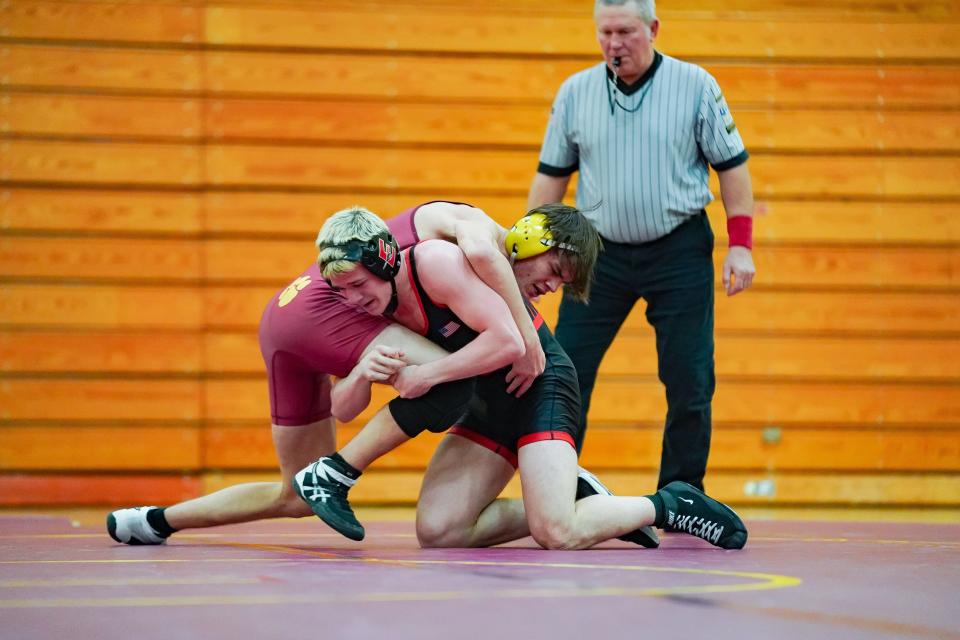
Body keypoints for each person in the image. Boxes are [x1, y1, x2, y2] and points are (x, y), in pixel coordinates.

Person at [296, 206, 748, 550]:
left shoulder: (444, 260)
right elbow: (343, 408)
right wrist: (360, 372)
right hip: (490, 398)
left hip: (540, 387)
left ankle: (671, 503)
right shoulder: (373, 295)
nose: (553, 288)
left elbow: (508, 336)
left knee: (556, 532)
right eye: (554, 272)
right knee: (440, 531)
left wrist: (429, 373)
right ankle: (587, 502)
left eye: (359, 286)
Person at [104, 202, 551, 545]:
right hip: (312, 317)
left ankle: (154, 521)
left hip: (282, 325)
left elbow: (344, 412)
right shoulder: (439, 242)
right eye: (348, 287)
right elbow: (482, 255)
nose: (356, 298)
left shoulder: (379, 258)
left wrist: (357, 376)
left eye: (359, 287)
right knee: (450, 377)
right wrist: (528, 337)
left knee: (295, 495)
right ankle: (335, 474)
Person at [527, 0, 758, 491]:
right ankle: (556, 488)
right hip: (597, 257)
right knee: (563, 371)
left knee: (689, 381)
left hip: (678, 251)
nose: (615, 43)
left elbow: (732, 166)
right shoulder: (575, 93)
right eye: (605, 32)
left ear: (653, 29)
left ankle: (682, 493)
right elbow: (550, 178)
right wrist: (528, 253)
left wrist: (741, 246)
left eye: (626, 32)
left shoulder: (696, 86)